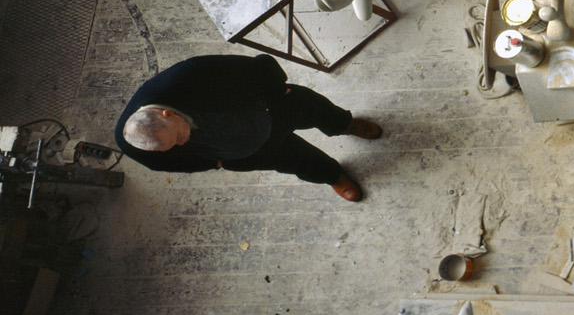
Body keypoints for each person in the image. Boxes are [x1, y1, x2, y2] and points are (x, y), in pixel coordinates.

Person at [114, 54, 381, 201]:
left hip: (263, 108)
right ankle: (333, 176)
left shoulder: (187, 75)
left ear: (168, 113)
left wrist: (278, 90)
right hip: (238, 149)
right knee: (295, 160)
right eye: (174, 146)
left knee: (314, 109)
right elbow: (167, 164)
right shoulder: (138, 145)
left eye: (180, 137)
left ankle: (344, 124)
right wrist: (215, 163)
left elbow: (254, 67)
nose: (183, 144)